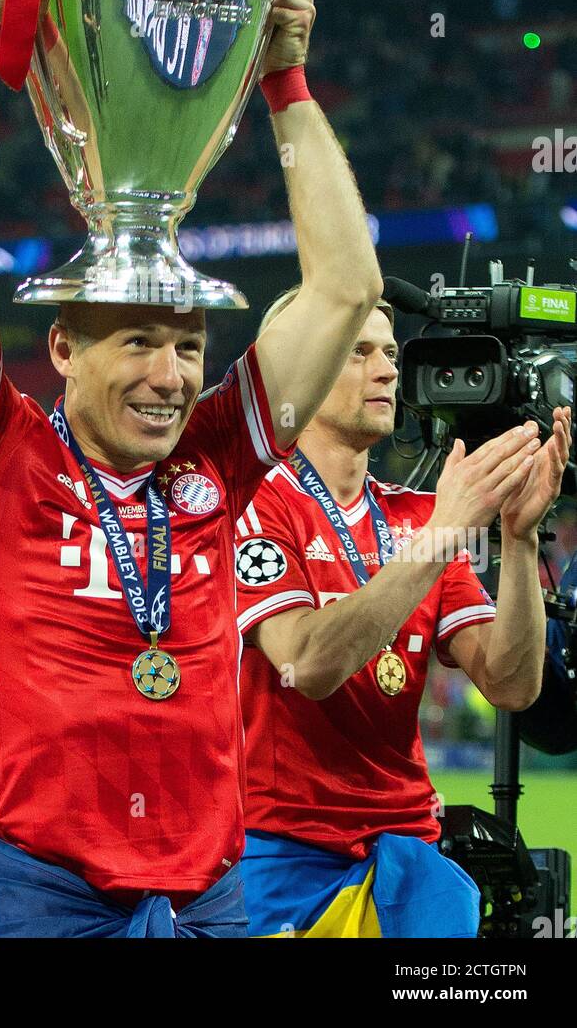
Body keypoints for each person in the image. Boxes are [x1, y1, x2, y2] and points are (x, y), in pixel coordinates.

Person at [0, 0, 384, 937]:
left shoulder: (222, 452)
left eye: (188, 346)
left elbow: (349, 286)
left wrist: (285, 79)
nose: (171, 374)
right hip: (45, 890)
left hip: (213, 891)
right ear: (64, 350)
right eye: (137, 341)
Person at [235, 286, 571, 937]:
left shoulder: (416, 518)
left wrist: (523, 540)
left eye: (388, 351)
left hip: (410, 861)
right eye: (358, 351)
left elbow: (512, 683)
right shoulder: (252, 500)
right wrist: (444, 534)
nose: (388, 368)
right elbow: (307, 662)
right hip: (277, 860)